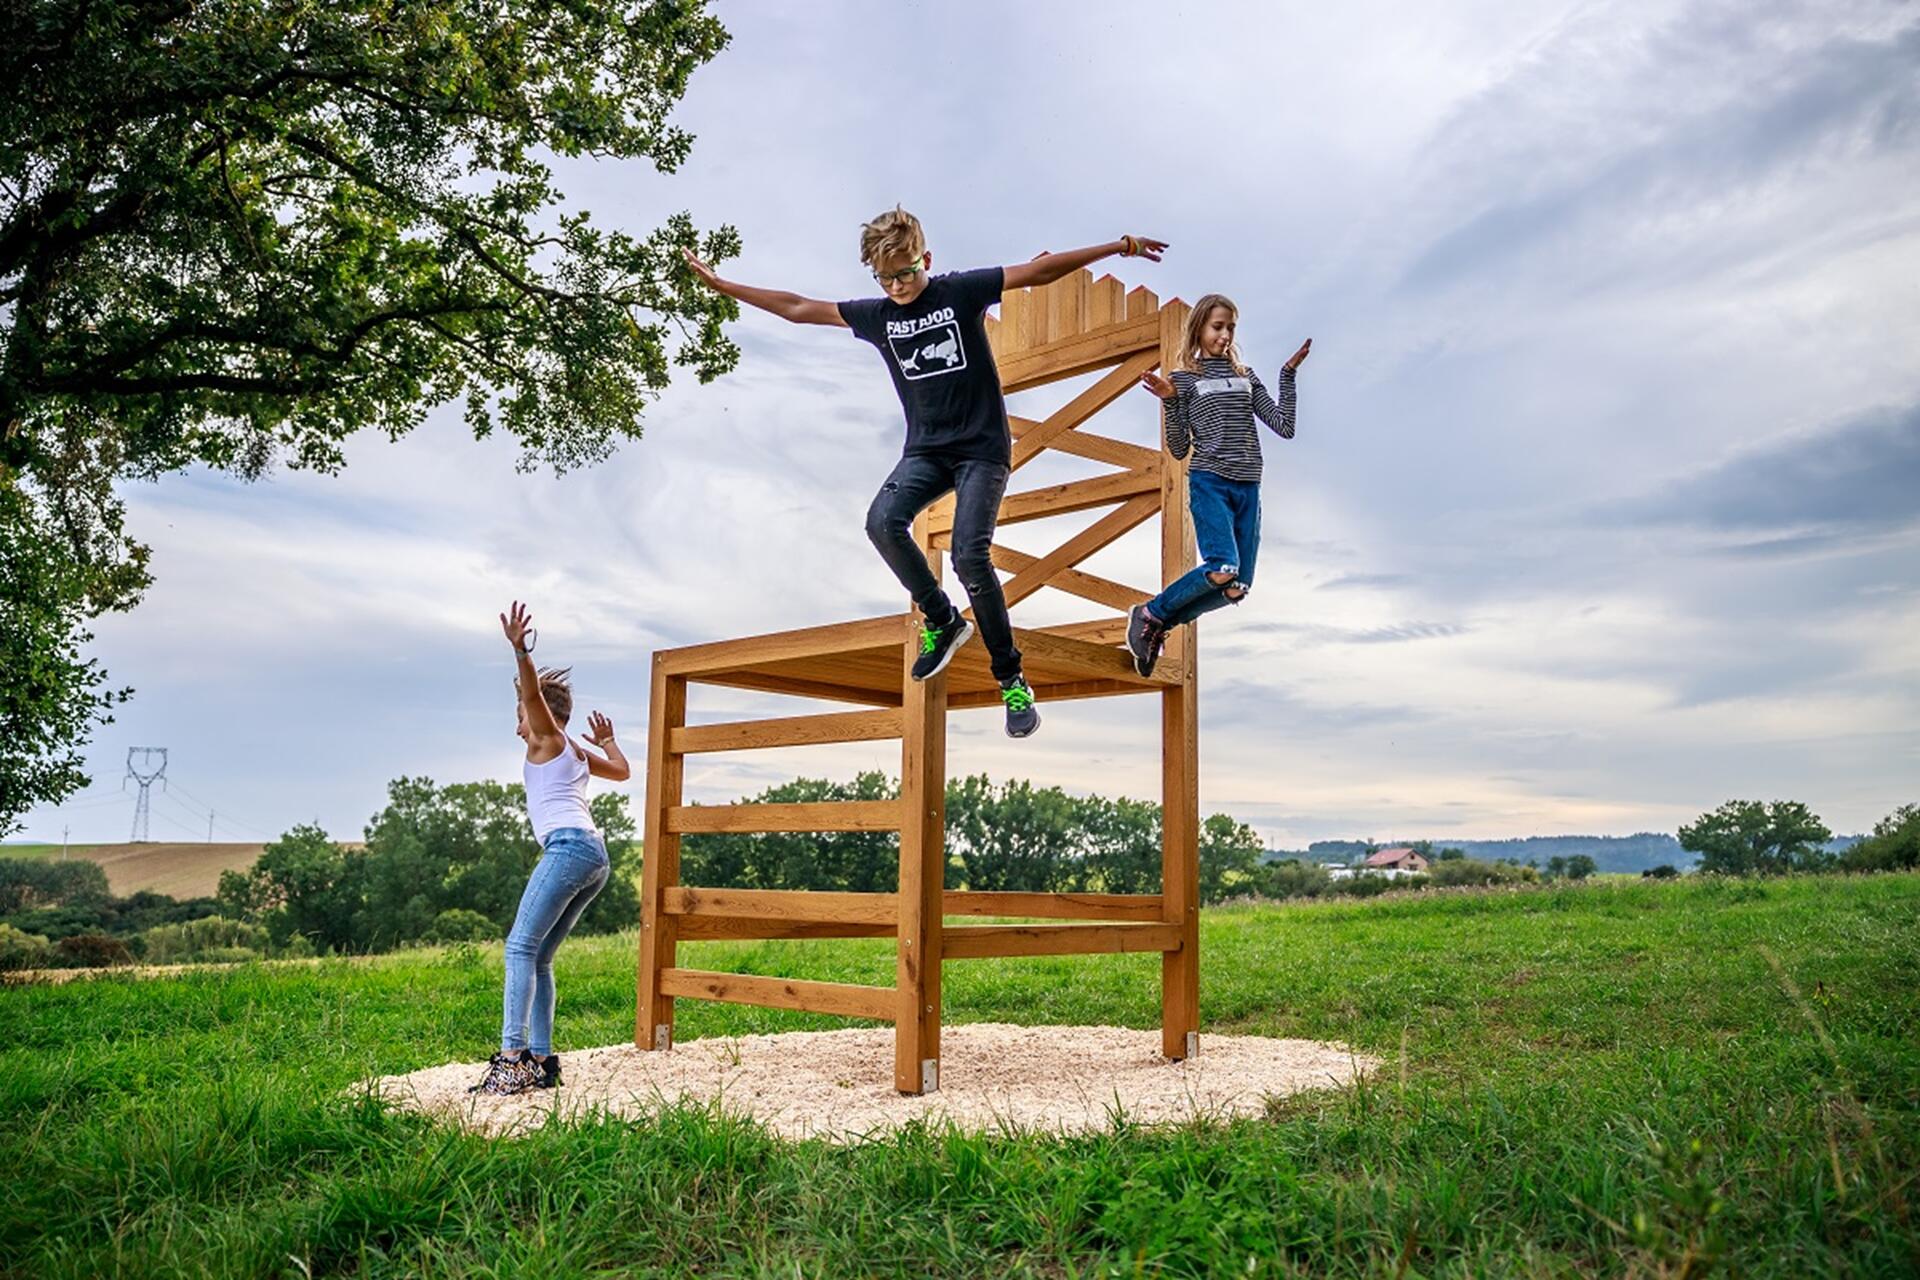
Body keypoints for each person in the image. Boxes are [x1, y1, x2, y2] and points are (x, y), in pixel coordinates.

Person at [683, 208, 1167, 737]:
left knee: (968, 554)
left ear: (926, 260)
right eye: (886, 279)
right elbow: (799, 308)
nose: (898, 286)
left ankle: (1011, 680)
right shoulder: (877, 316)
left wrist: (1119, 246)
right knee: (881, 521)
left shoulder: (959, 292)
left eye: (907, 273)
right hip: (926, 452)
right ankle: (943, 620)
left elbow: (1036, 274)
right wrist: (725, 286)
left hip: (982, 450)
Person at [470, 600, 631, 1096]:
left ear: (540, 717)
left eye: (520, 716)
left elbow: (533, 694)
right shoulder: (576, 750)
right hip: (594, 857)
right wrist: (606, 742)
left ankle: (512, 1059)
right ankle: (542, 1062)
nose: (518, 725)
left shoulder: (548, 738)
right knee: (539, 958)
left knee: (518, 947)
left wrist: (520, 651)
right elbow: (623, 772)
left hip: (567, 849)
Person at [1126, 294, 1311, 675]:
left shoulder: (1246, 377)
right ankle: (1150, 612)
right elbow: (1178, 448)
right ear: (1199, 328)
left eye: (1230, 328)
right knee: (1223, 565)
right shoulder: (1183, 379)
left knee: (1236, 587)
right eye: (1217, 327)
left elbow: (1285, 427)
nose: (1225, 335)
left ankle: (1158, 624)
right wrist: (1170, 400)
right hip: (1211, 481)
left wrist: (1288, 375)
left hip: (1248, 486)